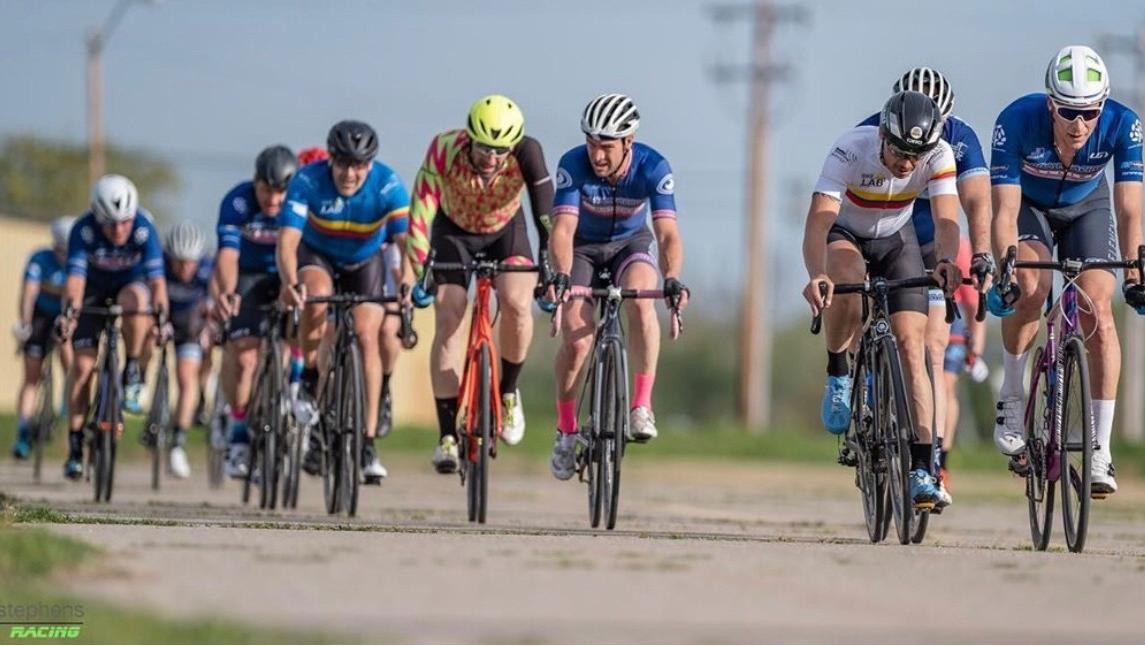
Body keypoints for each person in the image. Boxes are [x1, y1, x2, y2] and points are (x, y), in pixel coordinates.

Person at [988, 45, 1144, 497]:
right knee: (1031, 285)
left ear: (1103, 106)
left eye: (1090, 112)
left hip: (1087, 208)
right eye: (1069, 112)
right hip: (1030, 208)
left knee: (1098, 310)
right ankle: (1012, 395)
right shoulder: (1016, 120)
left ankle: (1100, 449)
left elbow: (1129, 210)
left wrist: (1136, 275)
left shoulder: (1123, 124)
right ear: (1050, 104)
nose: (1080, 124)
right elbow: (1004, 212)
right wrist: (1005, 270)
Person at [802, 91, 963, 509]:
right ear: (882, 136)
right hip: (847, 236)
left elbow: (947, 219)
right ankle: (839, 371)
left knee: (913, 346)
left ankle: (923, 468)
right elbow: (818, 223)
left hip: (896, 239)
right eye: (900, 151)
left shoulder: (939, 155)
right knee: (847, 283)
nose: (908, 163)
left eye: (916, 155)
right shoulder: (849, 149)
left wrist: (947, 260)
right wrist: (817, 273)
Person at [857, 67, 993, 508]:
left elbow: (976, 202)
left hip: (935, 232)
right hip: (885, 228)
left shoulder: (961, 139)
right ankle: (865, 375)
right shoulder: (868, 132)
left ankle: (929, 457)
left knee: (932, 346)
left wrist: (979, 254)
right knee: (864, 297)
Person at [405, 95, 554, 474]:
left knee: (517, 303)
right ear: (469, 137)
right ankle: (446, 435)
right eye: (484, 147)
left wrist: (549, 265)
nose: (492, 157)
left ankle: (508, 392)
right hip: (453, 232)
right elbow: (420, 212)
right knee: (450, 315)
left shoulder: (528, 151)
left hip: (506, 231)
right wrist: (421, 268)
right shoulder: (444, 148)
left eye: (501, 150)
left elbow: (546, 215)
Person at [546, 93, 690, 481]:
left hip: (630, 244)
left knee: (641, 302)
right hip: (582, 250)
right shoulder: (572, 164)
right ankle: (566, 430)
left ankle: (641, 405)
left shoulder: (653, 166)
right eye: (592, 144)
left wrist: (672, 277)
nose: (597, 155)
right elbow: (563, 230)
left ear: (629, 141)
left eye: (606, 146)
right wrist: (561, 274)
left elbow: (667, 234)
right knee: (577, 342)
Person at [279, 120, 410, 484]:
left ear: (370, 164)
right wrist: (290, 282)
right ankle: (309, 375)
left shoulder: (388, 183)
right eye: (343, 164)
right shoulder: (307, 181)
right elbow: (287, 242)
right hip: (318, 256)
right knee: (315, 300)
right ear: (330, 160)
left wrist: (408, 281)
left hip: (364, 261)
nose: (350, 174)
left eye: (359, 165)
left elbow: (406, 244)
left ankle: (367, 443)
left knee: (368, 337)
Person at [55, 175, 170, 480]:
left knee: (137, 300)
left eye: (124, 223)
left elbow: (157, 283)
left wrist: (162, 319)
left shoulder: (144, 228)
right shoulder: (83, 230)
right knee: (82, 368)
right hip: (92, 290)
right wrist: (68, 315)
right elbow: (75, 282)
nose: (119, 231)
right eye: (110, 224)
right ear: (97, 216)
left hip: (130, 286)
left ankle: (131, 367)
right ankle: (75, 444)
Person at [214, 145, 298, 479]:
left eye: (280, 192)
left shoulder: (299, 201)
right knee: (245, 357)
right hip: (248, 276)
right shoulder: (237, 202)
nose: (272, 200)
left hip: (286, 274)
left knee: (302, 332)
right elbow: (227, 255)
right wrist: (228, 291)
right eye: (266, 190)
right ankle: (238, 432)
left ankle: (294, 387)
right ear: (255, 181)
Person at [11, 216, 74, 459]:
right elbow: (28, 294)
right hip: (39, 317)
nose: (62, 255)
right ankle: (23, 431)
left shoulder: (79, 262)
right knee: (31, 378)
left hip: (64, 317)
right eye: (59, 249)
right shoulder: (40, 259)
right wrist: (25, 324)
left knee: (67, 349)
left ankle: (67, 397)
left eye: (67, 250)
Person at [161, 221, 213, 479]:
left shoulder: (208, 269)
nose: (184, 269)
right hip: (163, 320)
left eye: (189, 263)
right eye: (178, 262)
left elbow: (214, 308)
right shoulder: (159, 265)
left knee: (185, 378)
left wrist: (208, 328)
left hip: (190, 327)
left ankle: (178, 444)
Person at [937, 238, 988, 493]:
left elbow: (972, 298)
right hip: (918, 305)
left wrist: (976, 346)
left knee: (946, 387)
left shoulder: (959, 244)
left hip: (951, 314)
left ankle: (942, 461)